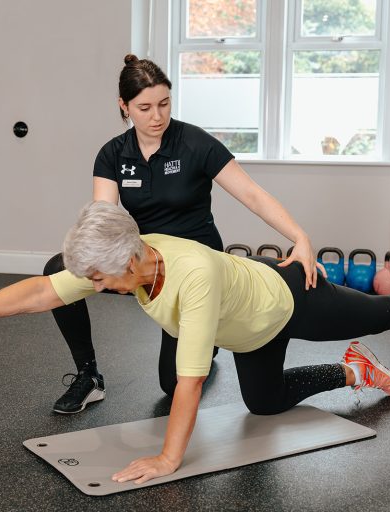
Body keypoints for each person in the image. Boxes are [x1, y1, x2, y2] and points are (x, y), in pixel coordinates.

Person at [0, 201, 390, 486]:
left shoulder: (192, 278)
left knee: (381, 310)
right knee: (263, 404)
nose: (96, 288)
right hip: (251, 330)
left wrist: (167, 459)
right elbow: (43, 292)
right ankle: (351, 372)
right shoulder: (124, 257)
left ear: (128, 261)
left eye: (100, 279)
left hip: (289, 299)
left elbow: (189, 383)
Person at [43, 54, 326, 415]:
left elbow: (252, 195)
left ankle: (207, 338)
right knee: (57, 269)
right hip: (145, 265)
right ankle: (88, 376)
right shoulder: (112, 154)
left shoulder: (195, 143)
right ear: (124, 106)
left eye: (164, 103)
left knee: (172, 384)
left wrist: (300, 237)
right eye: (144, 107)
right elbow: (104, 223)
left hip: (195, 271)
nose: (157, 116)